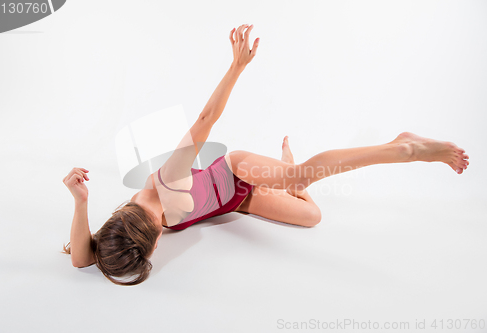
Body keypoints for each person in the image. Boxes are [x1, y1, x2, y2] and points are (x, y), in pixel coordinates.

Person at [62, 24, 469, 285]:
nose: (153, 254)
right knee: (312, 216)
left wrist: (236, 66)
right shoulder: (122, 237)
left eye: (150, 252)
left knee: (300, 181)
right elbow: (83, 259)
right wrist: (80, 203)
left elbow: (205, 120)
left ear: (149, 236)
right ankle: (287, 167)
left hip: (236, 171)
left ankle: (405, 147)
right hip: (236, 200)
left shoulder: (167, 181)